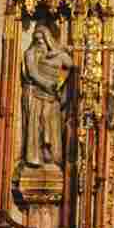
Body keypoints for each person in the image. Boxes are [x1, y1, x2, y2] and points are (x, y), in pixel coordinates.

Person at [21, 24, 74, 168]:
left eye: (43, 40)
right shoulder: (30, 53)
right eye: (37, 40)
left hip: (52, 98)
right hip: (38, 95)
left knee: (51, 127)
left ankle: (51, 154)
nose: (40, 43)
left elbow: (70, 64)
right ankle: (35, 157)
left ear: (48, 39)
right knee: (38, 125)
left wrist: (59, 52)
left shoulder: (54, 54)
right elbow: (32, 73)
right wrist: (47, 84)